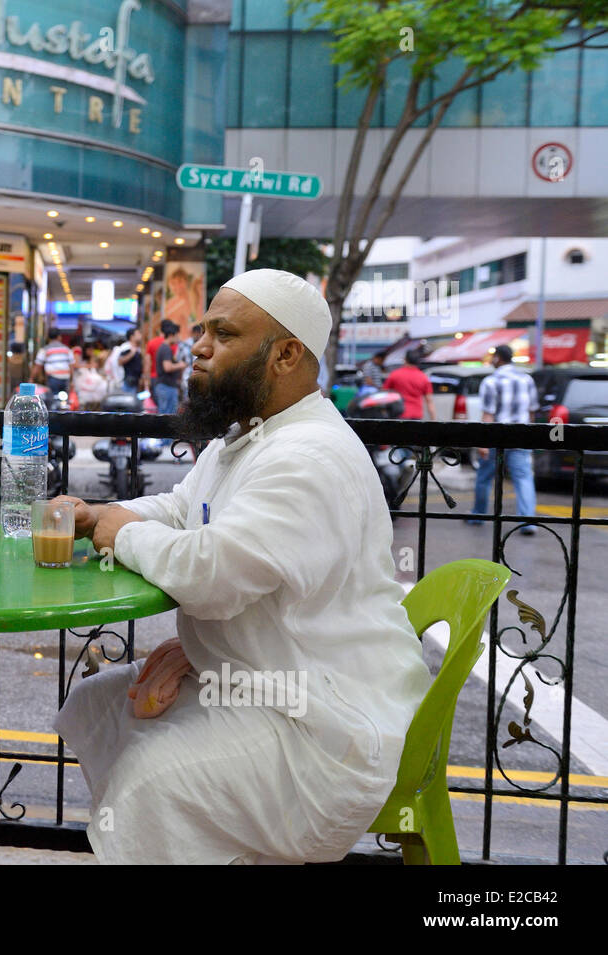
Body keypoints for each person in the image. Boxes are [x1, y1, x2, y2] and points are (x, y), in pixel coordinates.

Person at [49, 268, 432, 864]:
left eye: (222, 335)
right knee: (97, 703)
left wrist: (119, 533)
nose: (197, 347)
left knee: (152, 782)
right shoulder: (252, 438)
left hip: (326, 729)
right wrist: (103, 513)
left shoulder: (307, 455)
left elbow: (210, 579)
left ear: (285, 355)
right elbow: (182, 510)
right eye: (202, 331)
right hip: (269, 686)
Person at [469, 344, 539, 535]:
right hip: (521, 437)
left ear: (498, 358)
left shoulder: (491, 382)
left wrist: (483, 443)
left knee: (484, 478)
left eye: (493, 357)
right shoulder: (527, 380)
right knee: (523, 478)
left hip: (497, 438)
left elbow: (488, 415)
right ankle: (528, 522)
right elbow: (532, 412)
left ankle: (479, 515)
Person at [383, 347, 436, 420]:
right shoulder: (423, 377)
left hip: (399, 414)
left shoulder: (395, 374)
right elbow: (429, 401)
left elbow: (385, 394)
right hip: (416, 415)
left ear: (405, 359)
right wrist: (433, 419)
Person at [153, 322, 187, 416]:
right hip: (166, 386)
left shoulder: (164, 348)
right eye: (177, 335)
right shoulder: (166, 349)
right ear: (171, 335)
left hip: (165, 386)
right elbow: (167, 367)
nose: (178, 338)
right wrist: (181, 365)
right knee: (167, 416)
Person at [33, 327, 75, 394]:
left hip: (52, 379)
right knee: (65, 400)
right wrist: (72, 380)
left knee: (53, 399)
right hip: (65, 378)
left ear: (49, 337)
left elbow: (38, 366)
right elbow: (71, 366)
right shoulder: (67, 349)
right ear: (59, 337)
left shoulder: (45, 350)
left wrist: (32, 378)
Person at [118, 326, 144, 395]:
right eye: (138, 334)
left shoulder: (138, 348)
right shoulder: (126, 347)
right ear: (132, 337)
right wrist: (131, 353)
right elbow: (120, 361)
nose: (140, 336)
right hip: (128, 381)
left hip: (136, 381)